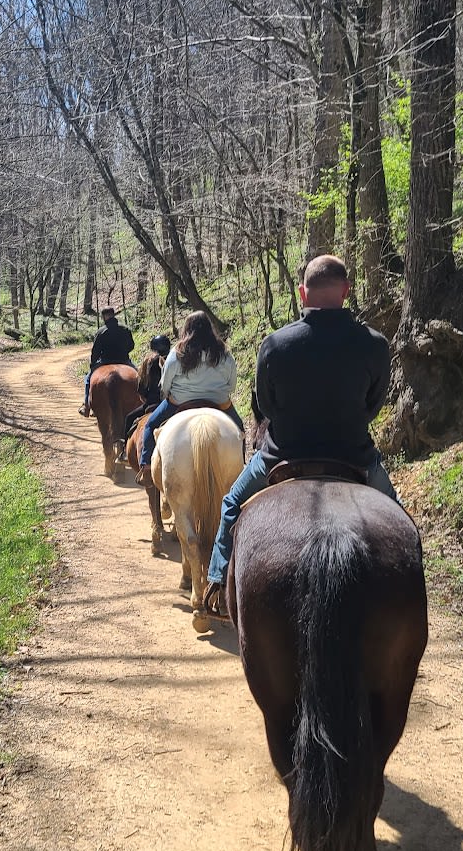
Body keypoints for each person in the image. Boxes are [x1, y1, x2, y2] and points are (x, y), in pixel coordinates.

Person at [204, 253, 399, 614]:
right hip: (355, 456)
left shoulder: (275, 345)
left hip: (282, 456)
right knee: (402, 526)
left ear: (302, 293)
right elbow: (373, 407)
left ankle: (216, 581)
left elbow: (266, 406)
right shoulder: (374, 344)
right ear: (346, 291)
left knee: (231, 503)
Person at [136, 312, 242, 481]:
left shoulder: (177, 353)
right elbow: (232, 384)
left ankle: (147, 467)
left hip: (179, 402)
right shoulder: (223, 352)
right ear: (210, 329)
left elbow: (165, 385)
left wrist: (171, 394)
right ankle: (242, 469)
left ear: (186, 329)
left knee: (150, 424)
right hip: (219, 402)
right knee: (239, 430)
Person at [79, 307, 135, 415]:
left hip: (105, 361)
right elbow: (131, 346)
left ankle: (86, 405)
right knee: (138, 376)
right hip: (123, 360)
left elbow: (95, 351)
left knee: (88, 379)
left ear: (104, 317)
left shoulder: (101, 331)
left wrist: (93, 364)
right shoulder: (125, 329)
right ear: (113, 315)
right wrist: (124, 352)